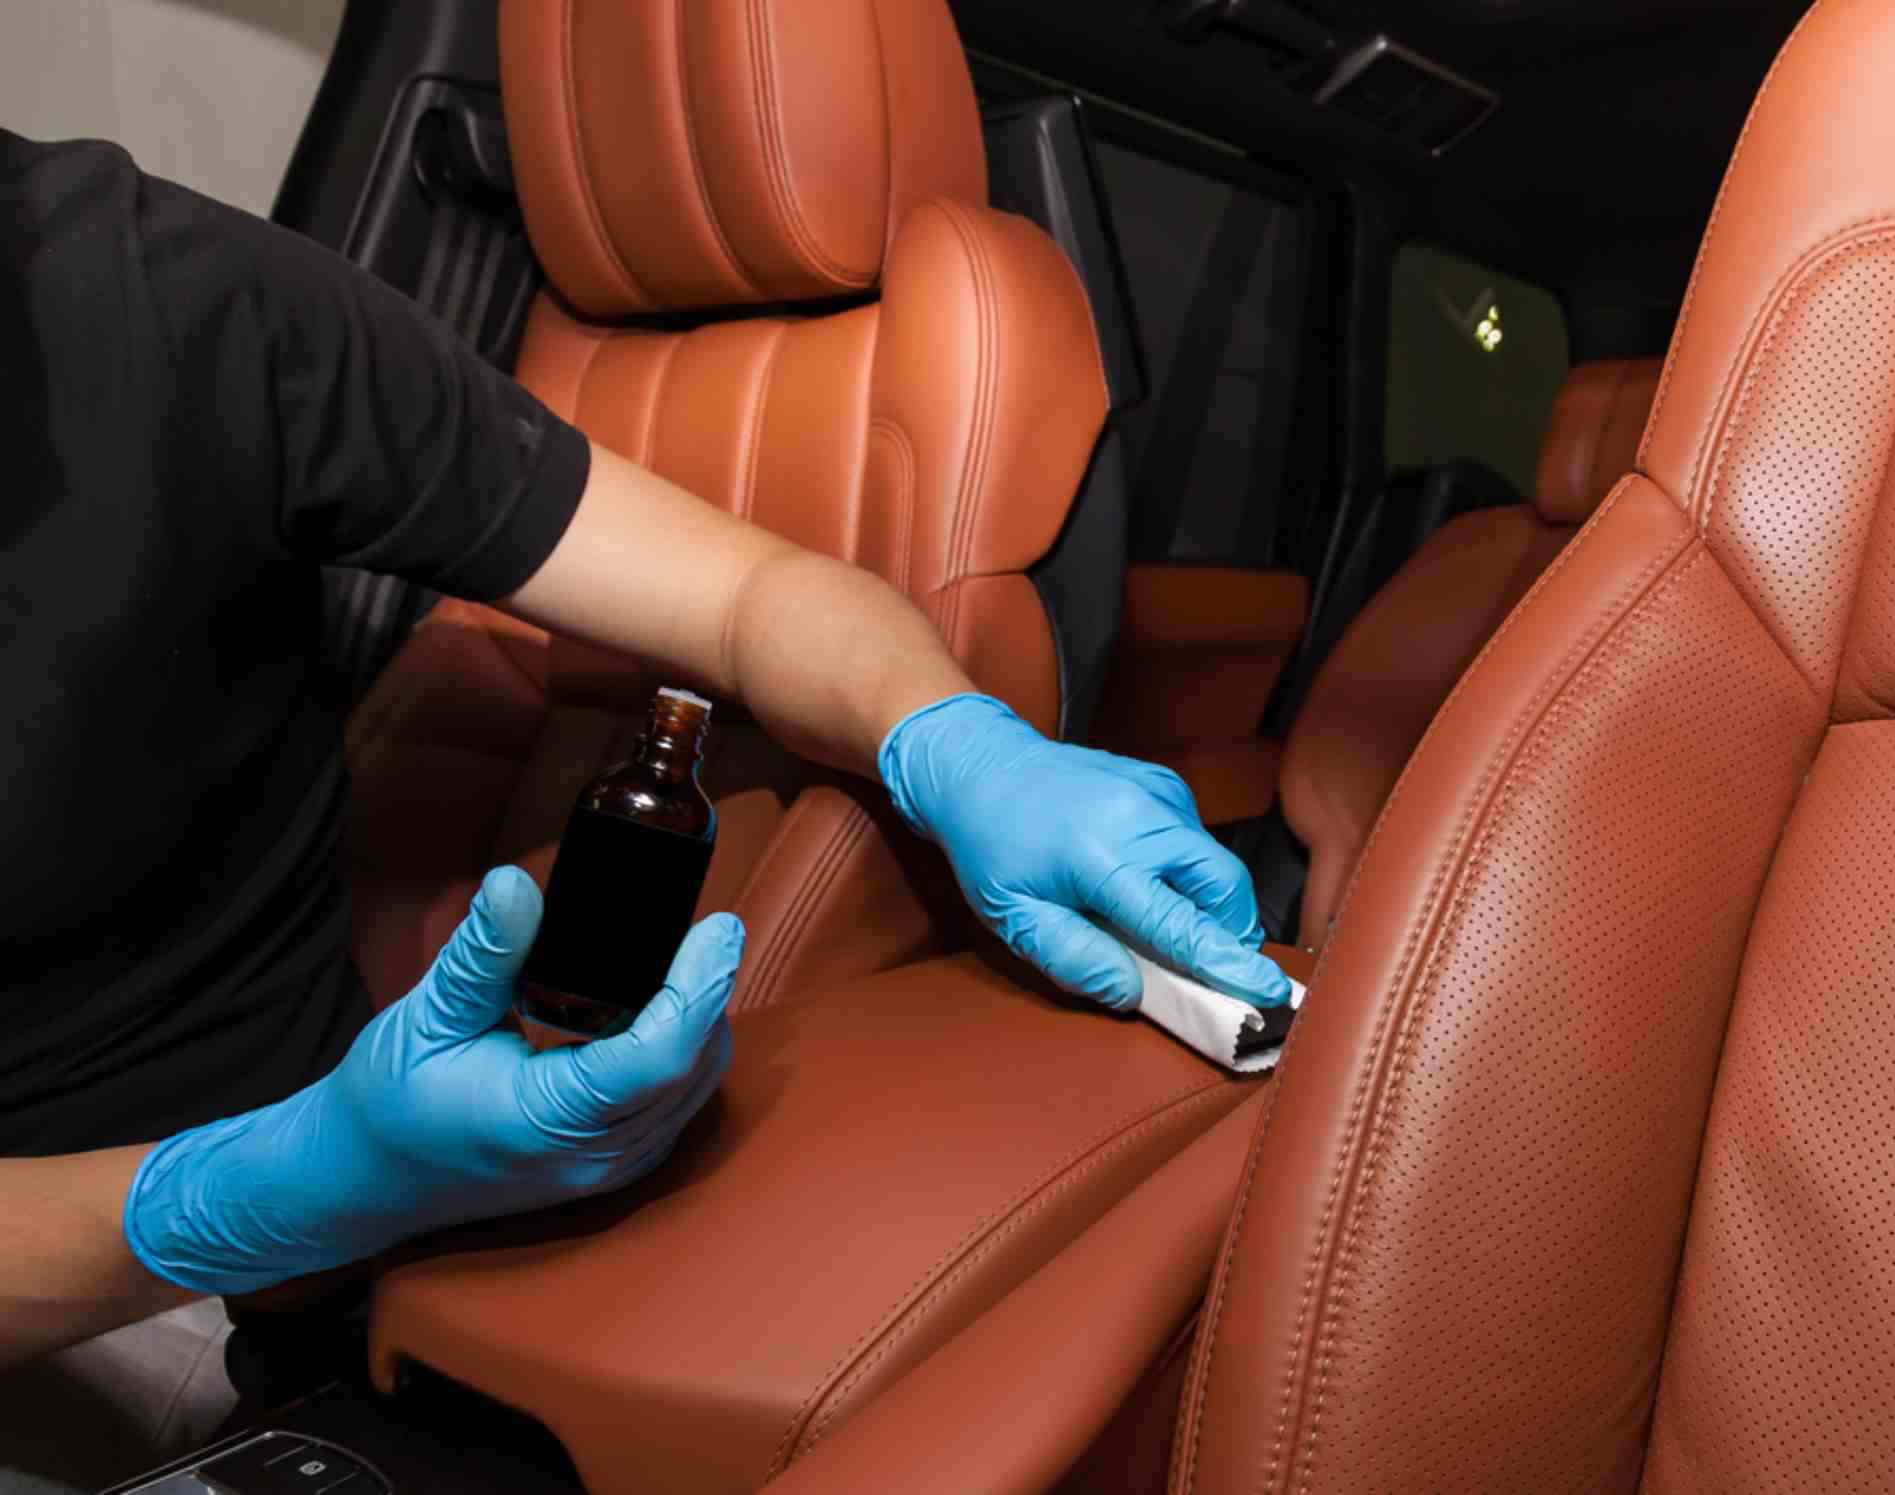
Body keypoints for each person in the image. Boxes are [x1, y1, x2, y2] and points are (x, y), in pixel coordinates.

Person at [0, 126, 1289, 1472]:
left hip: (231, 1305)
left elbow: (748, 599)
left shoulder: (174, 298)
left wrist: (956, 740)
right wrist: (230, 1203)